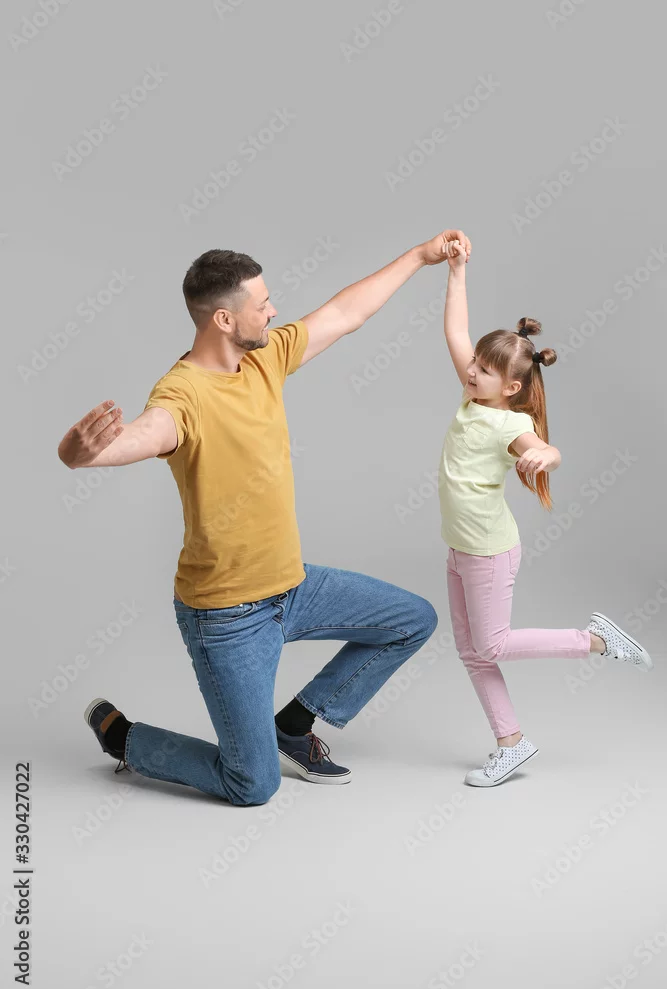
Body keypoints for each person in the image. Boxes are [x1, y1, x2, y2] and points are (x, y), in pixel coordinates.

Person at [57, 229, 472, 806]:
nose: (274, 311)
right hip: (227, 616)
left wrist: (422, 256)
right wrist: (81, 453)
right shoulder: (182, 395)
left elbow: (345, 313)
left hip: (293, 587)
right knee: (252, 783)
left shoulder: (264, 358)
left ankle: (293, 727)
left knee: (412, 620)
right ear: (224, 319)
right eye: (263, 303)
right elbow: (145, 434)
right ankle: (125, 738)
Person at [438, 239, 652, 788]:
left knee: (492, 645)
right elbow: (456, 333)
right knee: (473, 652)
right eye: (474, 362)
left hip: (488, 551)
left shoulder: (510, 423)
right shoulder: (471, 399)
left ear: (511, 387)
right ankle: (511, 744)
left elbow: (547, 449)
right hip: (460, 549)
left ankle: (595, 641)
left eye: (484, 370)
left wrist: (546, 456)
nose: (471, 370)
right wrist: (457, 273)